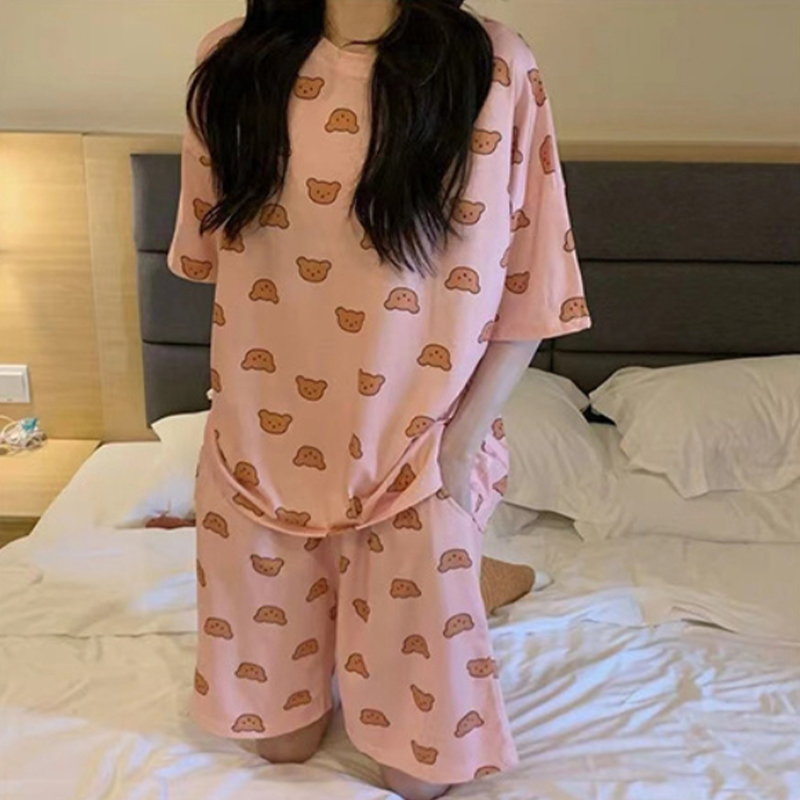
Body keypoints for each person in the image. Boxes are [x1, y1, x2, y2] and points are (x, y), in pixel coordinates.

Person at [167, 1, 591, 798]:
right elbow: (223, 256)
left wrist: (458, 449)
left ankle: (483, 577)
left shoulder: (492, 65)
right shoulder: (233, 60)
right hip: (262, 452)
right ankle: (440, 588)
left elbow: (536, 283)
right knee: (281, 746)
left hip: (417, 456)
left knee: (417, 778)